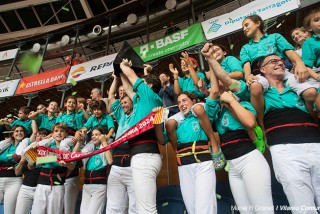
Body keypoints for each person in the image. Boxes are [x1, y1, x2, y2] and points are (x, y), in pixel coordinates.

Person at [201, 43, 274, 213]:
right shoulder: (214, 107)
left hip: (249, 160)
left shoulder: (241, 98)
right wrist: (209, 60)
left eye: (221, 82)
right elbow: (210, 97)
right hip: (232, 166)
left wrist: (231, 102)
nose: (218, 85)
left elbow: (249, 123)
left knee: (264, 211)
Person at [260, 54, 320, 212]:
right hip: (285, 150)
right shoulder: (260, 93)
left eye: (280, 60)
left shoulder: (300, 87)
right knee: (303, 208)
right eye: (273, 61)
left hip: (316, 144)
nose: (279, 62)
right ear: (262, 70)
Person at [240, 14, 313, 129]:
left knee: (310, 93)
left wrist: (299, 63)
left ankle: (314, 119)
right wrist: (248, 75)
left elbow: (289, 51)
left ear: (258, 23)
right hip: (261, 74)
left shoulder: (275, 37)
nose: (244, 29)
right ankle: (261, 123)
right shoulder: (245, 48)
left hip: (282, 71)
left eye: (246, 25)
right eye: (243, 27)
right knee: (255, 87)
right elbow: (246, 64)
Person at [119, 58, 163, 213]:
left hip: (145, 156)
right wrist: (120, 72)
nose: (137, 85)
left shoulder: (150, 96)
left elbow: (132, 77)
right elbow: (128, 88)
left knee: (146, 209)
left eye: (141, 83)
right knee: (142, 207)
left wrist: (124, 66)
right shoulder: (141, 100)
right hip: (143, 155)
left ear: (148, 86)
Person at [31, 123, 75, 214]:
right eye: (56, 131)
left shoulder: (70, 147)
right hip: (42, 183)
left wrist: (66, 164)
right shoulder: (45, 145)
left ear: (66, 134)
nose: (59, 133)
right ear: (52, 134)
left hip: (57, 185)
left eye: (62, 131)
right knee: (37, 211)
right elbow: (37, 161)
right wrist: (56, 157)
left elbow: (72, 166)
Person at [107, 74, 136, 214]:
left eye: (126, 102)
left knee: (134, 205)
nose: (123, 105)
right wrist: (115, 79)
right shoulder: (120, 115)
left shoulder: (138, 112)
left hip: (132, 163)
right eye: (122, 103)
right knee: (113, 206)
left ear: (133, 102)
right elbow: (111, 97)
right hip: (117, 164)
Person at [73, 127, 112, 214]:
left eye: (97, 135)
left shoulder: (106, 149)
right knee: (83, 212)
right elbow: (73, 156)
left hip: (99, 186)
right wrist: (80, 142)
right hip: (87, 185)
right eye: (93, 135)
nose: (94, 136)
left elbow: (110, 161)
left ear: (102, 136)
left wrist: (104, 141)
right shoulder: (88, 150)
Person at [15, 122, 50, 214]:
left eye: (43, 136)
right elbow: (17, 172)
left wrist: (30, 158)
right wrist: (22, 161)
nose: (39, 138)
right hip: (25, 188)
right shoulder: (28, 150)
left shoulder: (51, 153)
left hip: (41, 189)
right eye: (38, 136)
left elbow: (33, 165)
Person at [0, 125, 28, 214]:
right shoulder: (5, 145)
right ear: (12, 134)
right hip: (0, 178)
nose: (19, 133)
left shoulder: (25, 145)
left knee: (9, 211)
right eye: (16, 131)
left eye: (21, 131)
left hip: (14, 180)